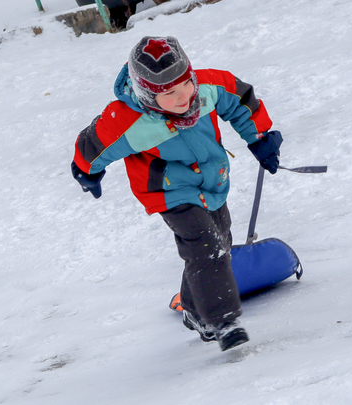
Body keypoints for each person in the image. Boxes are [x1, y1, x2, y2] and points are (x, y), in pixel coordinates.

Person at [70, 36, 282, 351]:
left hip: (212, 181)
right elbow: (94, 143)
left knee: (218, 242)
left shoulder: (206, 88)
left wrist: (259, 138)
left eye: (185, 84)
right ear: (148, 94)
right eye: (170, 92)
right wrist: (86, 171)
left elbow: (240, 99)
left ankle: (195, 313)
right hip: (168, 190)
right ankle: (223, 320)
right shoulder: (130, 120)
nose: (184, 95)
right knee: (204, 244)